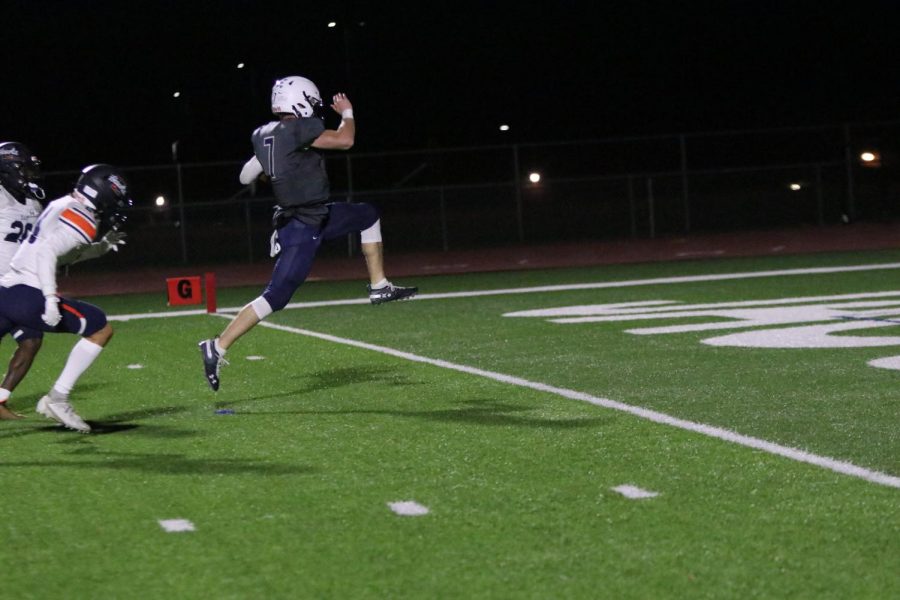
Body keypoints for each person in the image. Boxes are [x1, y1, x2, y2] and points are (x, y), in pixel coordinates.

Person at [199, 75, 417, 391]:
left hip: (319, 213)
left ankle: (379, 284)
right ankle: (216, 346)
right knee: (275, 297)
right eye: (312, 102)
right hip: (303, 225)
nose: (315, 109)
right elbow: (345, 141)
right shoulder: (298, 129)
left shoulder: (265, 134)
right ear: (299, 100)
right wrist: (348, 113)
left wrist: (277, 171)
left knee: (368, 215)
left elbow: (246, 175)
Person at [0, 164, 131, 432]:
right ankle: (57, 398)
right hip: (27, 294)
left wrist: (100, 248)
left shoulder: (64, 203)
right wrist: (49, 297)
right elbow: (47, 253)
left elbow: (64, 252)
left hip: (7, 289)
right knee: (100, 328)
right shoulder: (85, 217)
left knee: (30, 341)